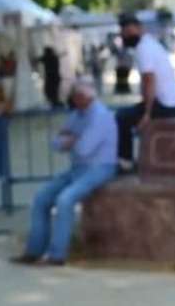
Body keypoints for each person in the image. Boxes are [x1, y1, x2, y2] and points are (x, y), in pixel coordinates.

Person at [11, 78, 116, 266]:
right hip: (78, 168)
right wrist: (72, 140)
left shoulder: (100, 116)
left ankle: (57, 255)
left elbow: (84, 148)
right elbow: (57, 142)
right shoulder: (78, 114)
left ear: (87, 96)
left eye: (77, 96)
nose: (73, 100)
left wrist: (71, 140)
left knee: (65, 200)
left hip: (99, 168)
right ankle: (34, 250)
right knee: (41, 197)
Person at [113, 12, 175, 170]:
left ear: (139, 28)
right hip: (170, 102)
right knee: (126, 115)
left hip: (165, 105)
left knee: (122, 117)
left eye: (129, 31)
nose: (126, 35)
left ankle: (126, 161)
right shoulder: (149, 44)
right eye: (124, 31)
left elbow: (149, 80)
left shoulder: (143, 48)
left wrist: (147, 113)